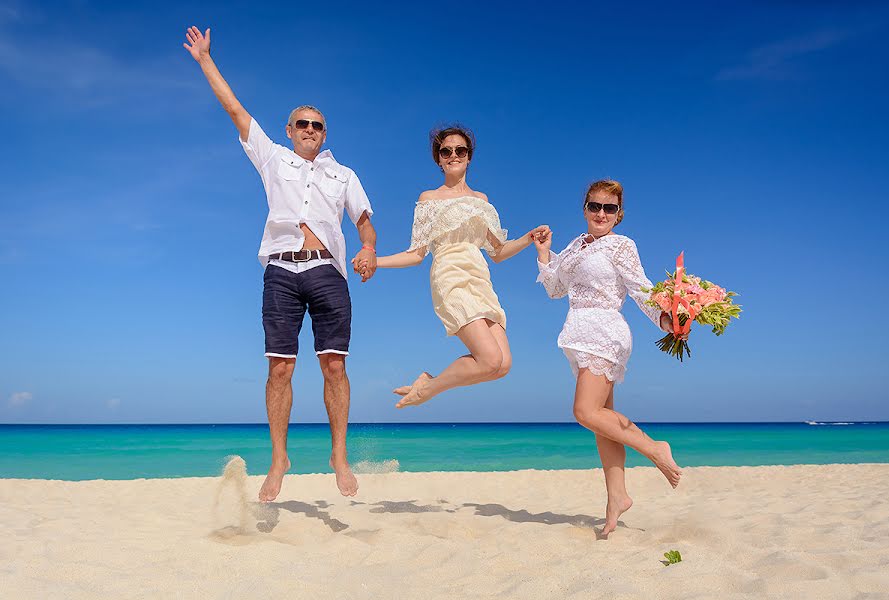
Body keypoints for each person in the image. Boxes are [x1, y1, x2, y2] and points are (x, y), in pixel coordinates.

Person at [183, 26, 377, 501]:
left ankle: (339, 455)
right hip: (281, 272)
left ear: (324, 133)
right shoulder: (272, 159)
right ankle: (279, 459)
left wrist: (368, 247)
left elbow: (365, 220)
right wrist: (206, 60)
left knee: (334, 365)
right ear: (289, 131)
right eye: (302, 123)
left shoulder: (343, 173)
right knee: (280, 370)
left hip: (327, 271)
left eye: (317, 124)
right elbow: (234, 109)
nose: (310, 129)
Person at [353, 126, 548, 408]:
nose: (454, 155)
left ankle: (427, 385)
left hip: (480, 276)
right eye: (447, 151)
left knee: (502, 365)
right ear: (439, 159)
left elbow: (498, 252)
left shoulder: (482, 201)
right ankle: (428, 390)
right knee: (489, 358)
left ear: (469, 157)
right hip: (450, 275)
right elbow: (416, 254)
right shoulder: (429, 199)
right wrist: (376, 261)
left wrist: (528, 239)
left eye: (460, 150)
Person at [533, 179, 682, 537]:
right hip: (578, 332)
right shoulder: (574, 246)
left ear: (619, 215)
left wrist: (667, 319)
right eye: (595, 206)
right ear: (585, 209)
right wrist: (544, 252)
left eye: (609, 208)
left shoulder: (621, 246)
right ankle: (617, 496)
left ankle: (654, 447)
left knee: (585, 412)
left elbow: (642, 288)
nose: (601, 213)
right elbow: (555, 290)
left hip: (605, 331)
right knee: (603, 421)